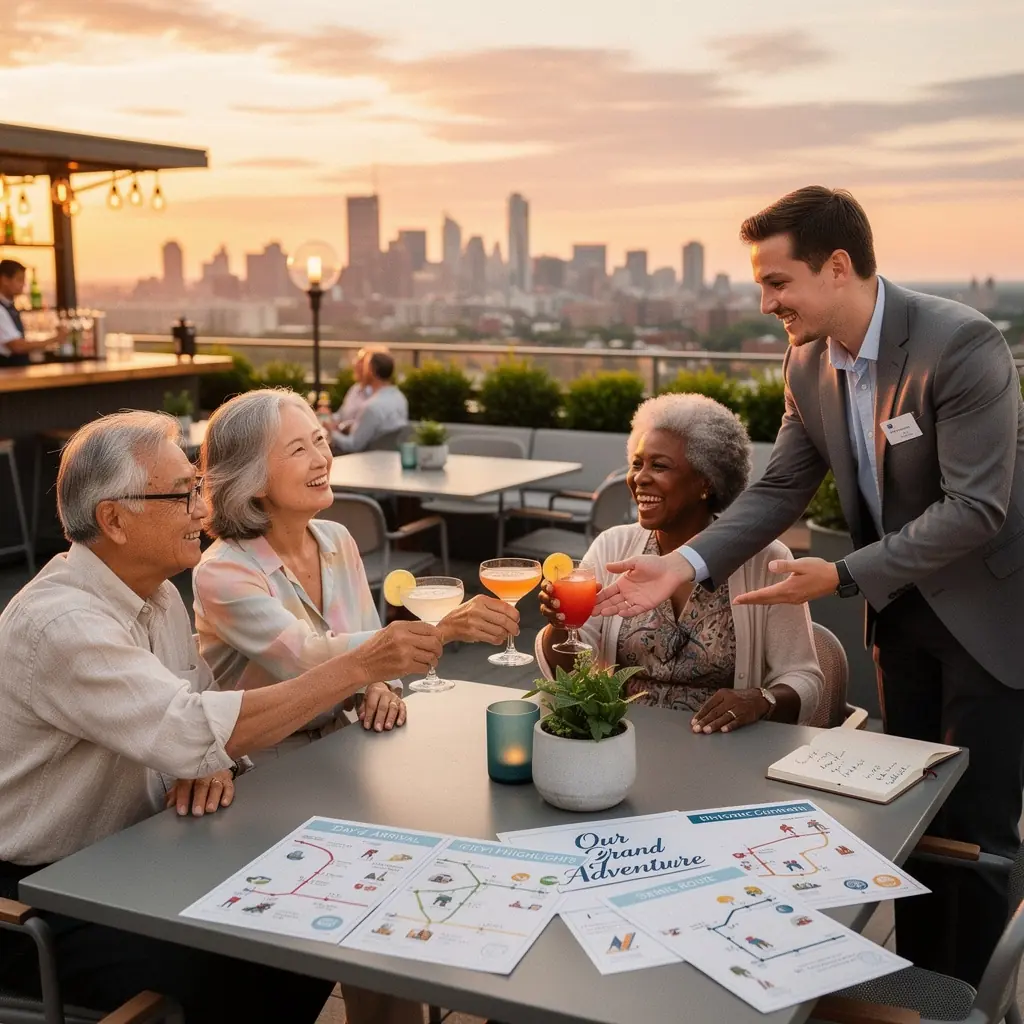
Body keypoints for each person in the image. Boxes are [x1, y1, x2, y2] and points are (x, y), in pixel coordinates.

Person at [593, 185, 1024, 986]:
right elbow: (780, 489)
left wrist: (845, 573)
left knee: (977, 830)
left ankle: (968, 1002)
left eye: (777, 282)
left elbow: (977, 508)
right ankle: (918, 988)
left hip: (984, 621)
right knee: (912, 815)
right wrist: (682, 565)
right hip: (902, 618)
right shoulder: (807, 361)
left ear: (836, 267)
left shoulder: (962, 345)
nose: (766, 303)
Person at [0, 410, 442, 1024]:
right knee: (271, 947)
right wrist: (358, 667)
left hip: (138, 857)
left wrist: (210, 756)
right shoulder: (63, 623)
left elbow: (201, 716)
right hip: (43, 901)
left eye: (198, 489)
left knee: (317, 914)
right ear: (114, 520)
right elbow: (192, 728)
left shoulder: (158, 596)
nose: (203, 510)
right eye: (183, 494)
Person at [194, 388, 520, 758]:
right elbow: (306, 661)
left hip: (344, 741)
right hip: (261, 761)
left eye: (320, 440)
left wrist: (378, 687)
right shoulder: (223, 572)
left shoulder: (338, 539)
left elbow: (368, 645)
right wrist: (443, 628)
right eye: (298, 450)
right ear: (251, 478)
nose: (321, 459)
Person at [537, 393, 822, 731]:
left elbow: (805, 679)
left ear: (706, 482)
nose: (639, 478)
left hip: (724, 746)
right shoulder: (613, 547)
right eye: (637, 464)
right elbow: (571, 669)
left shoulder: (766, 560)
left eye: (659, 466)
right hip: (623, 738)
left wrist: (761, 700)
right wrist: (561, 624)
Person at [331, 349, 408, 453]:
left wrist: (331, 433)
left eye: (365, 366)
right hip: (389, 456)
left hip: (365, 458)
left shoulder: (371, 407)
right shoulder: (400, 398)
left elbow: (354, 445)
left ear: (371, 371)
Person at [0, 259, 62, 367]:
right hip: (7, 372)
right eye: (19, 280)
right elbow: (17, 346)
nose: (23, 285)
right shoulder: (1, 310)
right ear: (5, 280)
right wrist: (55, 339)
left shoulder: (10, 307)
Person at [335, 346, 377, 422]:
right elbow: (340, 415)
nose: (356, 364)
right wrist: (328, 417)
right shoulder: (354, 389)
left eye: (362, 361)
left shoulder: (375, 393)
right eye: (358, 360)